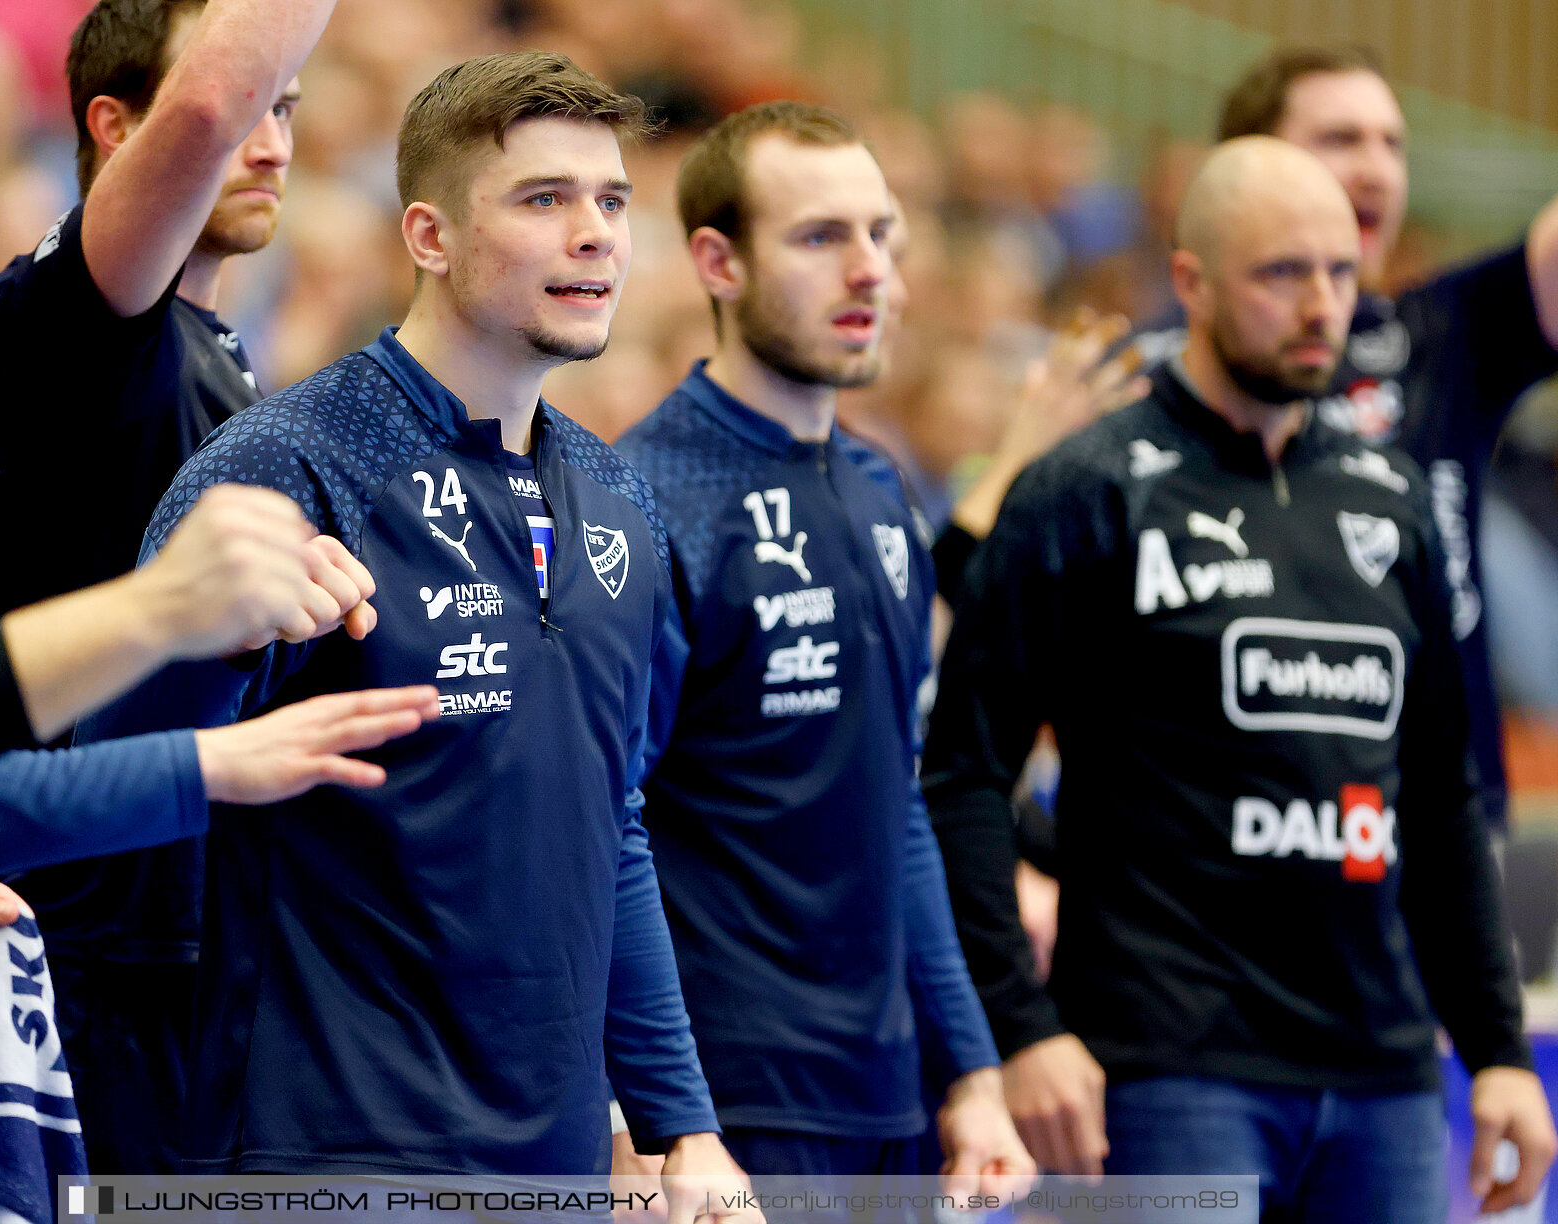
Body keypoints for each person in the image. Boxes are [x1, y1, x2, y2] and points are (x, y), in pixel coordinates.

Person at [76, 51, 756, 1206]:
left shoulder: (618, 496)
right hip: (322, 1149)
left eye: (612, 201)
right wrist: (222, 650)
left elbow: (614, 821)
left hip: (550, 1158)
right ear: (430, 238)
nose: (595, 234)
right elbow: (112, 781)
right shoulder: (286, 466)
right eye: (544, 200)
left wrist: (680, 1119)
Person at [926, 136, 1557, 1219]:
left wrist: (1496, 1050)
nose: (1321, 303)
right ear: (1192, 282)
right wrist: (1023, 1030)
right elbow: (963, 778)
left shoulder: (1391, 500)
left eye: (1340, 273)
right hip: (1168, 1070)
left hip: (1385, 1075)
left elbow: (1442, 799)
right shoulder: (1087, 490)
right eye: (1281, 273)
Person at [0, 0, 334, 1172]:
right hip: (76, 927)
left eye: (290, 112)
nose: (268, 143)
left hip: (185, 921)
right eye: (244, 117)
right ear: (115, 128)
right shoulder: (66, 315)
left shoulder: (219, 348)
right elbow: (208, 99)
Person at [613, 101, 1031, 1192]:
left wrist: (973, 1069)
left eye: (881, 234)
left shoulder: (882, 486)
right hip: (728, 1102)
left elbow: (897, 801)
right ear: (718, 262)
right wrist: (647, 1106)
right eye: (819, 238)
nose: (869, 272)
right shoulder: (643, 497)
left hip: (889, 1093)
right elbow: (602, 826)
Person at [1135, 46, 1558, 834]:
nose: (1375, 170)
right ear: (1247, 167)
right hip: (1220, 846)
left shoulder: (1438, 334)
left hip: (1437, 832)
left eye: (1391, 144)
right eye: (1339, 139)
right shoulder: (1149, 380)